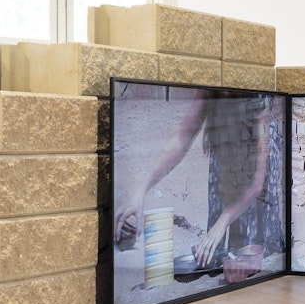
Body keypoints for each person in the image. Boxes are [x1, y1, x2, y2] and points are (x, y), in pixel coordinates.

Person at [114, 87, 284, 268]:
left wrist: (224, 219)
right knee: (213, 251)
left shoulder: (258, 102)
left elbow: (256, 185)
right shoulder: (211, 90)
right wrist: (141, 191)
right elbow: (182, 138)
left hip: (255, 163)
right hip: (224, 153)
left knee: (247, 253)